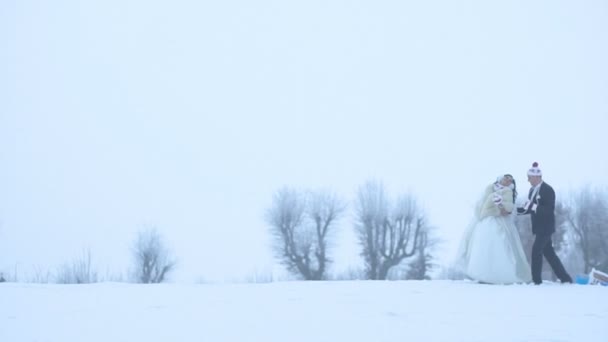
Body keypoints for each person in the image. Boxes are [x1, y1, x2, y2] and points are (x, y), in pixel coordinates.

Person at [453, 174, 532, 284]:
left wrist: (499, 205)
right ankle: (483, 274)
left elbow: (507, 211)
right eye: (506, 178)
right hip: (485, 221)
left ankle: (500, 274)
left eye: (510, 180)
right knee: (482, 247)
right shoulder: (489, 188)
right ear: (500, 179)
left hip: (500, 222)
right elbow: (481, 204)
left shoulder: (508, 192)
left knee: (501, 246)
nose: (507, 181)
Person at [517, 162, 573, 285]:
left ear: (537, 177)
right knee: (549, 253)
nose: (528, 180)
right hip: (538, 228)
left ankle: (536, 280)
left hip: (546, 227)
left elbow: (549, 210)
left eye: (529, 177)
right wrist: (514, 211)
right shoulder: (532, 190)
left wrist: (534, 206)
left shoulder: (548, 189)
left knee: (536, 251)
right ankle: (565, 278)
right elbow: (529, 208)